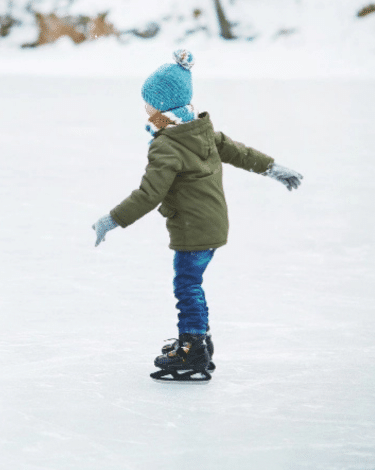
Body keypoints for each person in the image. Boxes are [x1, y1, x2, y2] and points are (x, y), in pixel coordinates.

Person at [92, 49, 303, 382]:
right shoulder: (200, 131)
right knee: (192, 285)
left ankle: (193, 349)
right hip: (211, 222)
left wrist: (112, 219)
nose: (146, 109)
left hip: (192, 228)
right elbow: (241, 153)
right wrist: (273, 169)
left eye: (149, 104)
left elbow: (150, 193)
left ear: (162, 108)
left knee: (187, 286)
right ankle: (198, 339)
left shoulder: (167, 144)